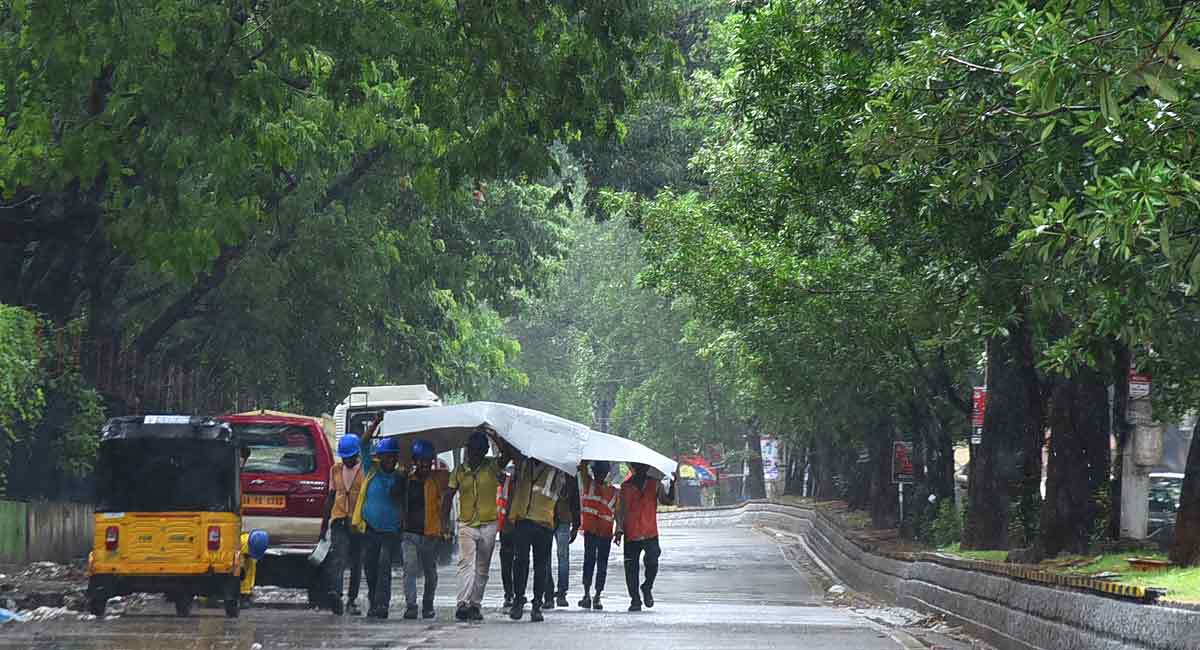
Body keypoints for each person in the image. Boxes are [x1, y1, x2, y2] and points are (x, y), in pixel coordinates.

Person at [443, 427, 509, 621]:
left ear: (484, 451)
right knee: (466, 564)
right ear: (468, 450)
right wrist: (443, 522)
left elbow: (508, 454)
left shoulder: (492, 466)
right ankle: (462, 603)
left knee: (482, 568)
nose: (475, 454)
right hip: (467, 524)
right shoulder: (459, 471)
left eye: (480, 451)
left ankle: (475, 605)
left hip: (489, 524)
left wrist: (494, 434)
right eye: (473, 450)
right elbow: (449, 496)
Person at [502, 439, 567, 623]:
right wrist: (509, 516)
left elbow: (562, 493)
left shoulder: (556, 469)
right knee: (520, 561)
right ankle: (518, 601)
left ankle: (537, 605)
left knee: (541, 565)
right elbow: (515, 489)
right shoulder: (524, 464)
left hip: (544, 523)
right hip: (523, 520)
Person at [353, 416, 406, 619]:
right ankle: (374, 600)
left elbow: (399, 497)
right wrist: (375, 423)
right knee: (371, 567)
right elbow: (363, 443)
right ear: (380, 457)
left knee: (384, 565)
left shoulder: (400, 477)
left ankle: (382, 605)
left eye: (392, 457)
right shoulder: (371, 470)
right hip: (371, 528)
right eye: (386, 456)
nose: (389, 460)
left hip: (390, 531)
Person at [615, 463, 678, 612]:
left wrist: (673, 485)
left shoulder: (655, 484)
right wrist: (618, 529)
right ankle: (635, 600)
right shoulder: (626, 487)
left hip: (650, 532)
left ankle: (647, 587)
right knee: (631, 568)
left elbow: (667, 501)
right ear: (634, 467)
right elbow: (620, 510)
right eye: (638, 466)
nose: (642, 468)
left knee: (652, 562)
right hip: (631, 533)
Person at [401, 438, 446, 620]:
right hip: (410, 534)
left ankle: (428, 605)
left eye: (427, 461)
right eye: (420, 460)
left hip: (430, 534)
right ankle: (411, 605)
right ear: (415, 461)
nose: (424, 464)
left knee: (430, 573)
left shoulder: (438, 480)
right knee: (409, 569)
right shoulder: (406, 480)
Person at [320, 434, 366, 616]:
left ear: (357, 454)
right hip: (339, 519)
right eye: (344, 456)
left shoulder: (364, 469)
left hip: (357, 522)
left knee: (356, 562)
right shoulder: (335, 470)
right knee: (338, 558)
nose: (346, 460)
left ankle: (352, 600)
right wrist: (324, 525)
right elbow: (331, 496)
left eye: (350, 456)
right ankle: (336, 594)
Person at [577, 460, 618, 610]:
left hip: (592, 531)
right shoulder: (613, 491)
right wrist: (618, 531)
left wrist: (587, 457)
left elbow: (581, 467)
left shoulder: (589, 484)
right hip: (604, 533)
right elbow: (618, 514)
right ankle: (596, 597)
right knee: (601, 564)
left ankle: (587, 595)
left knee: (589, 562)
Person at [542, 466, 579, 609]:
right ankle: (560, 594)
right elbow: (575, 501)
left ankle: (549, 595)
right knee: (562, 558)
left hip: (547, 518)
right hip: (560, 518)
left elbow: (575, 500)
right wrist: (576, 524)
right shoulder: (570, 474)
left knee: (546, 558)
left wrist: (576, 525)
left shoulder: (546, 470)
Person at [497, 464, 516, 609]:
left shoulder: (524, 479)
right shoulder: (506, 479)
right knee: (508, 562)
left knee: (517, 562)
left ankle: (513, 593)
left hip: (519, 526)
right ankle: (509, 593)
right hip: (508, 527)